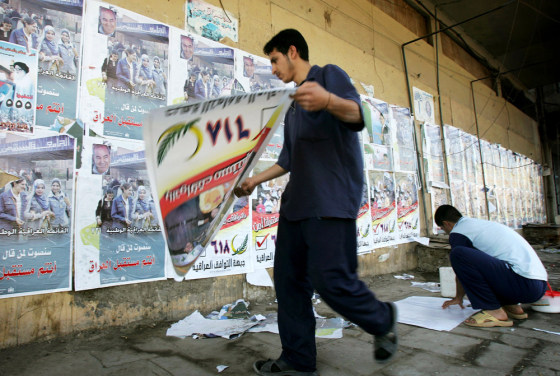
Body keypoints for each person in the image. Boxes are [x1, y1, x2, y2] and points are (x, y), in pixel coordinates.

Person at [234, 29, 398, 375]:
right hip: (297, 205)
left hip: (330, 200)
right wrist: (254, 180)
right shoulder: (294, 104)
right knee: (289, 283)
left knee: (330, 280)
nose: (274, 70)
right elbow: (288, 158)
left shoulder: (328, 76)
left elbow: (358, 115)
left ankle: (382, 319)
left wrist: (327, 100)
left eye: (275, 60)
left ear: (293, 51)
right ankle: (298, 360)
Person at [435, 204, 548, 327]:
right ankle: (512, 306)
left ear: (446, 224)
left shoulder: (458, 233)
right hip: (538, 285)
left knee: (458, 254)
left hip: (523, 284)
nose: (445, 232)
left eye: (442, 228)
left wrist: (458, 297)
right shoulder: (477, 225)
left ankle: (493, 310)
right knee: (489, 262)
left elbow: (462, 267)